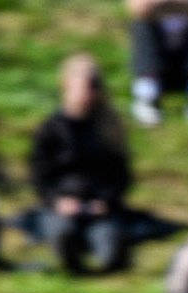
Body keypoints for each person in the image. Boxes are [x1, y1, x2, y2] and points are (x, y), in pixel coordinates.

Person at [29, 53, 134, 275]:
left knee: (113, 251)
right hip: (63, 207)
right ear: (66, 85)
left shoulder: (109, 128)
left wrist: (105, 202)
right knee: (64, 236)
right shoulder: (50, 129)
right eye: (84, 87)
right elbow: (39, 176)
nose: (88, 93)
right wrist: (58, 202)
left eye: (93, 87)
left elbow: (121, 175)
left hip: (100, 209)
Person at [128, 0, 188, 127]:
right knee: (143, 27)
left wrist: (163, 6)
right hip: (158, 55)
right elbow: (141, 9)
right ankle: (148, 98)